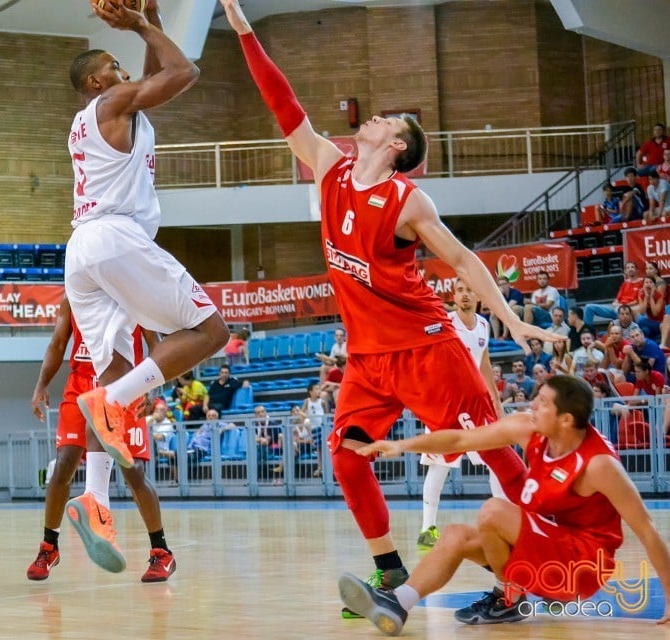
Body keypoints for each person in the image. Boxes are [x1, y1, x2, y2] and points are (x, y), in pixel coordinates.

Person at [220, 0, 562, 618]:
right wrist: (244, 28)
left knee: (496, 451)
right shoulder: (330, 166)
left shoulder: (409, 202)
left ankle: (532, 573)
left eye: (381, 119)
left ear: (397, 143)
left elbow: (462, 261)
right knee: (346, 456)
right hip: (369, 359)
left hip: (428, 346)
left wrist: (510, 319)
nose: (368, 117)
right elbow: (283, 104)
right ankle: (391, 576)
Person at [340, 376, 670, 634]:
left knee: (494, 512)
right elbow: (458, 439)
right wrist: (401, 445)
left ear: (566, 420)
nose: (532, 405)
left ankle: (509, 598)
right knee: (455, 535)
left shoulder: (599, 465)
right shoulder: (529, 428)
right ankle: (398, 604)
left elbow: (648, 530)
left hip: (579, 568)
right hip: (545, 550)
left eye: (542, 403)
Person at [65, 1, 229, 515]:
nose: (125, 71)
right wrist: (138, 24)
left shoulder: (105, 112)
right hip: (117, 237)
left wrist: (152, 18)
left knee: (111, 368)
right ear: (96, 81)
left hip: (82, 251)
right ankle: (109, 406)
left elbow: (157, 73)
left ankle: (94, 499)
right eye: (115, 65)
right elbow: (185, 72)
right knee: (211, 333)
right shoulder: (113, 102)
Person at [29, 296, 175, 582]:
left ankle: (162, 551)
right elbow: (58, 343)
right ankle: (49, 546)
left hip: (125, 384)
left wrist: (153, 387)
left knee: (134, 473)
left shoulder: (128, 290)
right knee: (63, 465)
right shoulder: (73, 294)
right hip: (80, 383)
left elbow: (156, 342)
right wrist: (41, 384)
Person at [418, 279, 506, 551]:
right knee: (440, 466)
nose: (465, 295)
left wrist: (496, 400)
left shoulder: (483, 325)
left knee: (496, 458)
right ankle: (426, 530)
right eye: (460, 290)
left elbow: (485, 363)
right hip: (447, 404)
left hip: (476, 404)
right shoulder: (445, 322)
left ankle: (502, 520)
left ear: (477, 296)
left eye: (470, 290)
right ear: (454, 296)